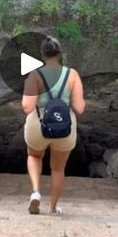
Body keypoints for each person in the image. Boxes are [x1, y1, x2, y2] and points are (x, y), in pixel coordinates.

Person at [22, 36, 85, 215]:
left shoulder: (35, 75)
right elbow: (79, 108)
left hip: (39, 124)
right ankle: (53, 208)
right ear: (60, 53)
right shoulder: (72, 75)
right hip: (64, 128)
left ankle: (35, 192)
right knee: (58, 168)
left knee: (34, 156)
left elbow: (27, 107)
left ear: (42, 54)